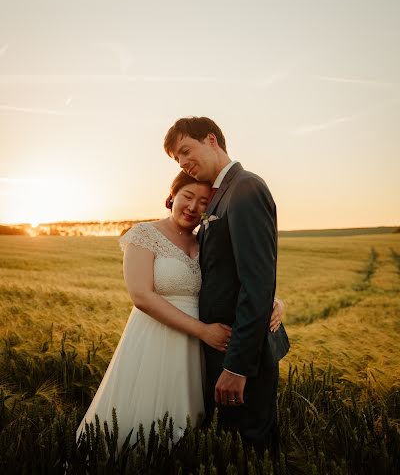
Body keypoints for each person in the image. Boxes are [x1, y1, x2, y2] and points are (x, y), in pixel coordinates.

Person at [76, 171, 285, 449]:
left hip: (196, 348)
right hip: (156, 337)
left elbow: (236, 279)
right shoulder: (144, 234)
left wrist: (273, 301)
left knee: (186, 420)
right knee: (144, 414)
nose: (193, 207)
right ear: (171, 196)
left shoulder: (205, 241)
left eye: (203, 202)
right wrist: (203, 331)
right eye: (187, 197)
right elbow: (141, 296)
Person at [164, 116, 290, 452]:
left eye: (186, 150)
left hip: (242, 355)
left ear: (211, 140)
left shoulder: (245, 187)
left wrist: (237, 366)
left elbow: (257, 279)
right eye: (177, 159)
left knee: (251, 449)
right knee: (233, 448)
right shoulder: (221, 194)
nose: (184, 163)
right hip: (220, 350)